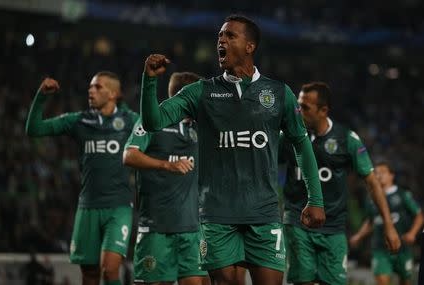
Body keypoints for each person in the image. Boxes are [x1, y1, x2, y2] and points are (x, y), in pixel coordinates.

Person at [139, 15, 326, 285]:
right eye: (219, 37)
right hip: (217, 214)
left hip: (263, 213)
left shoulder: (278, 93)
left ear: (250, 46)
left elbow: (301, 143)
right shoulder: (201, 92)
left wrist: (316, 199)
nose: (221, 41)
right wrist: (149, 82)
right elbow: (153, 121)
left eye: (229, 36)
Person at [279, 82, 402, 285]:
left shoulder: (346, 139)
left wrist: (389, 225)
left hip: (334, 228)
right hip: (297, 223)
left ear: (323, 110)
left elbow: (372, 182)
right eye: (298, 106)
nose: (299, 112)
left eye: (306, 108)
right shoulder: (289, 137)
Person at [26, 71, 139, 285]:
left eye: (98, 87)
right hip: (87, 207)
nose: (91, 90)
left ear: (114, 94)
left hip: (119, 207)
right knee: (89, 274)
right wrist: (41, 96)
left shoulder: (130, 120)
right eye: (90, 87)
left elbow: (154, 131)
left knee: (110, 269)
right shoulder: (80, 120)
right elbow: (34, 129)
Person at [123, 71, 210, 285]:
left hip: (191, 229)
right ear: (185, 95)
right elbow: (129, 155)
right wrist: (166, 165)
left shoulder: (197, 127)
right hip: (156, 228)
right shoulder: (153, 120)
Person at [350, 162, 423, 285]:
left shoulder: (402, 194)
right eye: (376, 173)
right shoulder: (371, 198)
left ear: (391, 175)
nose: (379, 176)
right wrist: (359, 235)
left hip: (402, 248)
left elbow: (419, 215)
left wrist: (412, 233)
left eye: (382, 172)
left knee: (406, 282)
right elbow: (370, 221)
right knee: (382, 281)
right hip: (380, 249)